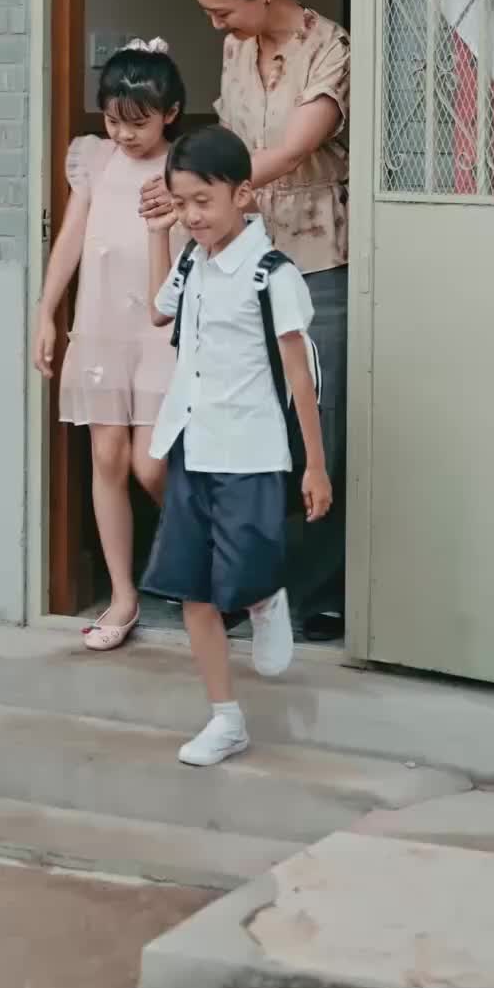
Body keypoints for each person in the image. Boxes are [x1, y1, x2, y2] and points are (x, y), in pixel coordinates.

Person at [141, 0, 349, 642]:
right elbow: (228, 143)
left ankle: (316, 591)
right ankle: (240, 582)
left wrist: (196, 187)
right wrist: (202, 204)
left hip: (315, 255)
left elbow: (290, 151)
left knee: (314, 423)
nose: (214, 26)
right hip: (237, 252)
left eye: (222, 11)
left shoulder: (331, 48)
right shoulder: (236, 48)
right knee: (235, 427)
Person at [143, 125, 331, 766]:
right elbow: (158, 311)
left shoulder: (272, 275)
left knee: (243, 569)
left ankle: (264, 595)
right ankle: (225, 718)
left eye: (203, 201)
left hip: (250, 450)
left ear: (242, 195)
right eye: (182, 202)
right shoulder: (191, 259)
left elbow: (300, 377)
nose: (192, 215)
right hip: (192, 442)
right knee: (193, 589)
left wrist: (314, 464)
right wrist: (159, 234)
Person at [33, 40, 187, 650]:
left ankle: (214, 559)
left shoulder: (185, 165)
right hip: (99, 327)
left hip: (160, 329)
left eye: (138, 123)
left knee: (152, 465)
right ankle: (124, 596)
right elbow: (72, 237)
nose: (124, 134)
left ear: (171, 113)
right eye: (114, 120)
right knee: (107, 458)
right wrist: (46, 312)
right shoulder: (95, 160)